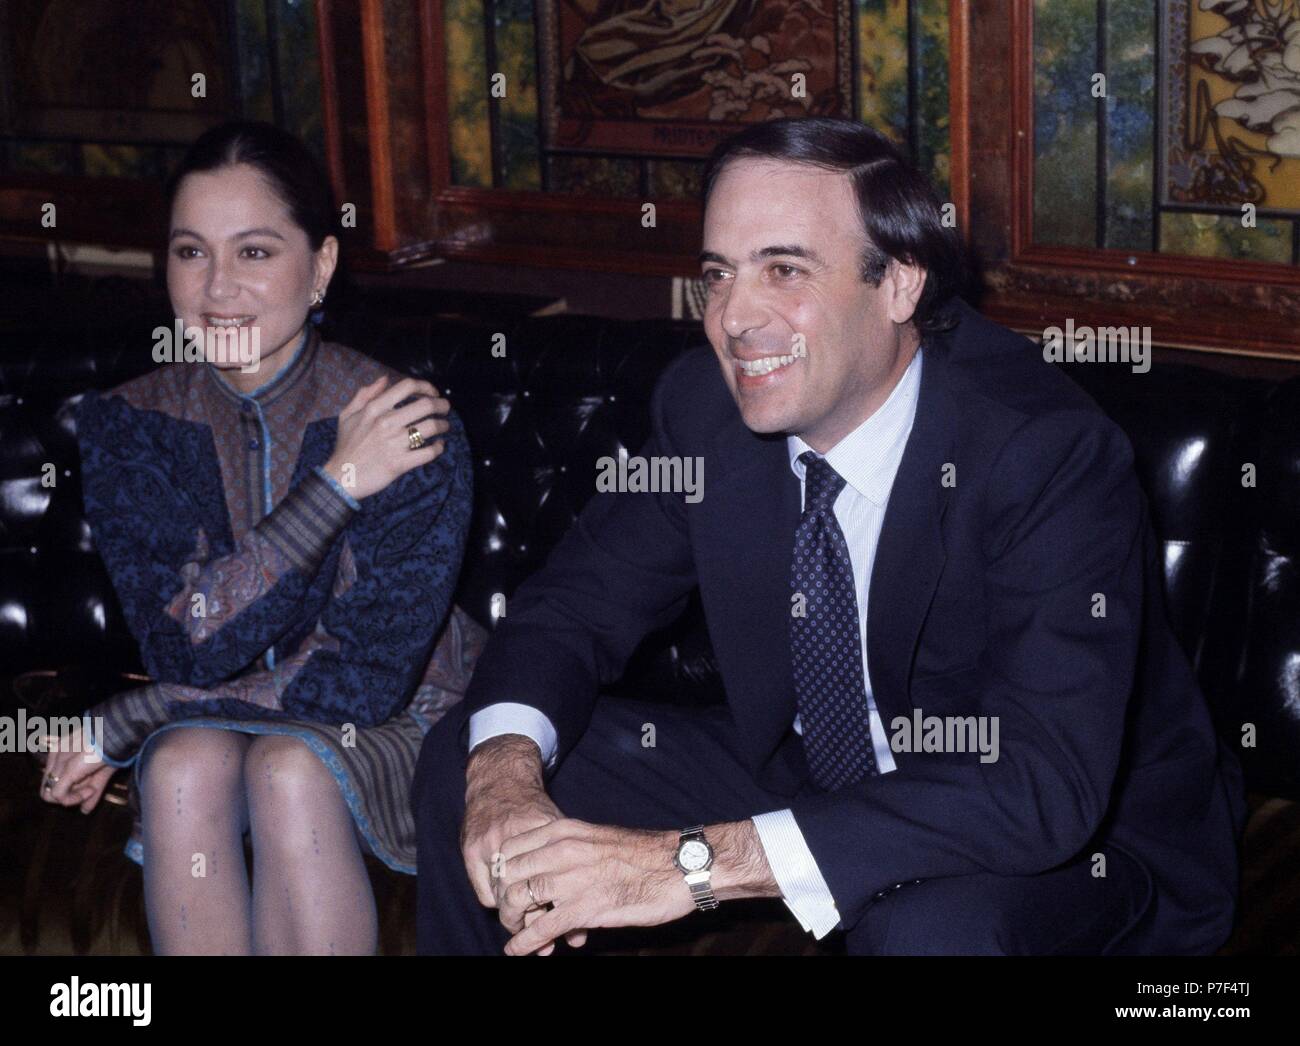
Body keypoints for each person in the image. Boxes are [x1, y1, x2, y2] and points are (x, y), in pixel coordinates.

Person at [412, 116, 1247, 956]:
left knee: (931, 928)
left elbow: (1040, 783)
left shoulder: (1042, 450)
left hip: (1074, 830)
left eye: (784, 270)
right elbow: (570, 611)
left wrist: (689, 865)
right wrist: (503, 779)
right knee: (471, 763)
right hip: (811, 772)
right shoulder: (705, 409)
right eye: (717, 274)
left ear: (900, 284)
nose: (735, 319)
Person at [40, 120, 482, 956]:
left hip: (400, 712)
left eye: (254, 253)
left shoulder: (405, 423)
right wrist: (337, 486)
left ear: (319, 267)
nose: (216, 289)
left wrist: (139, 712)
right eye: (190, 252)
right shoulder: (131, 423)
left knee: (290, 769)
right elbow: (186, 644)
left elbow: (363, 684)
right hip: (223, 702)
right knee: (179, 768)